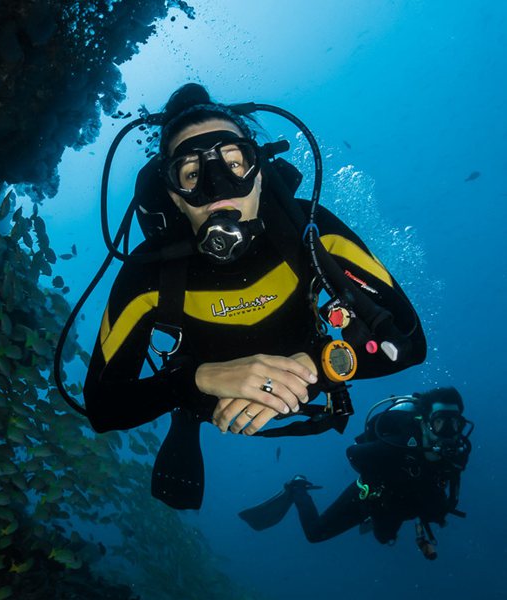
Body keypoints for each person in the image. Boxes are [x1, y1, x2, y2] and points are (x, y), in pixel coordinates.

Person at [81, 83, 427, 508]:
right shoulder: (148, 273)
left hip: (312, 372)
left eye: (234, 162)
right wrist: (195, 381)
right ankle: (186, 416)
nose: (216, 187)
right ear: (173, 194)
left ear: (259, 171)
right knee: (186, 403)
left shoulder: (312, 232)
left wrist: (319, 365)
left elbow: (410, 342)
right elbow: (103, 407)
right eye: (191, 174)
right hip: (202, 398)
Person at [239, 388, 471, 559]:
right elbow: (354, 453)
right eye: (441, 423)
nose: (449, 432)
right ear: (425, 422)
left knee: (385, 538)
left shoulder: (455, 454)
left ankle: (382, 521)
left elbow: (447, 491)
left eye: (455, 424)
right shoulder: (401, 443)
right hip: (369, 497)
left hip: (404, 502)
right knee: (315, 533)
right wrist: (379, 485)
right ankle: (297, 487)